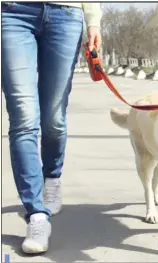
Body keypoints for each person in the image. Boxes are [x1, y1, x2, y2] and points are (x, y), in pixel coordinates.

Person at [1, 2, 102, 253]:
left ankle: (52, 178)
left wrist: (93, 20)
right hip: (11, 12)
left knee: (54, 120)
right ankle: (36, 215)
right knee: (24, 117)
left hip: (65, 14)